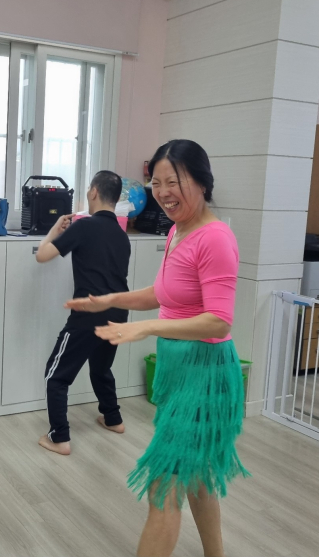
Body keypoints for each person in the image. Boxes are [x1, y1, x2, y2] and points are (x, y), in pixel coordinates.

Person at [67, 140, 250, 557]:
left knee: (163, 488)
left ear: (201, 182)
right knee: (197, 476)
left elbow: (219, 320)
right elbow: (163, 293)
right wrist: (110, 300)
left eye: (174, 182)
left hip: (205, 373)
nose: (164, 192)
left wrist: (147, 328)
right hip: (179, 369)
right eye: (157, 183)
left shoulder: (215, 238)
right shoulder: (177, 231)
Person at [35, 170, 131, 456]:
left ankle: (59, 438)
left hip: (89, 314)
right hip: (119, 313)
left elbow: (42, 255)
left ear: (93, 192)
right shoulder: (122, 235)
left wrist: (55, 229)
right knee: (101, 368)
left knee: (56, 376)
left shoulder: (85, 226)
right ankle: (113, 419)